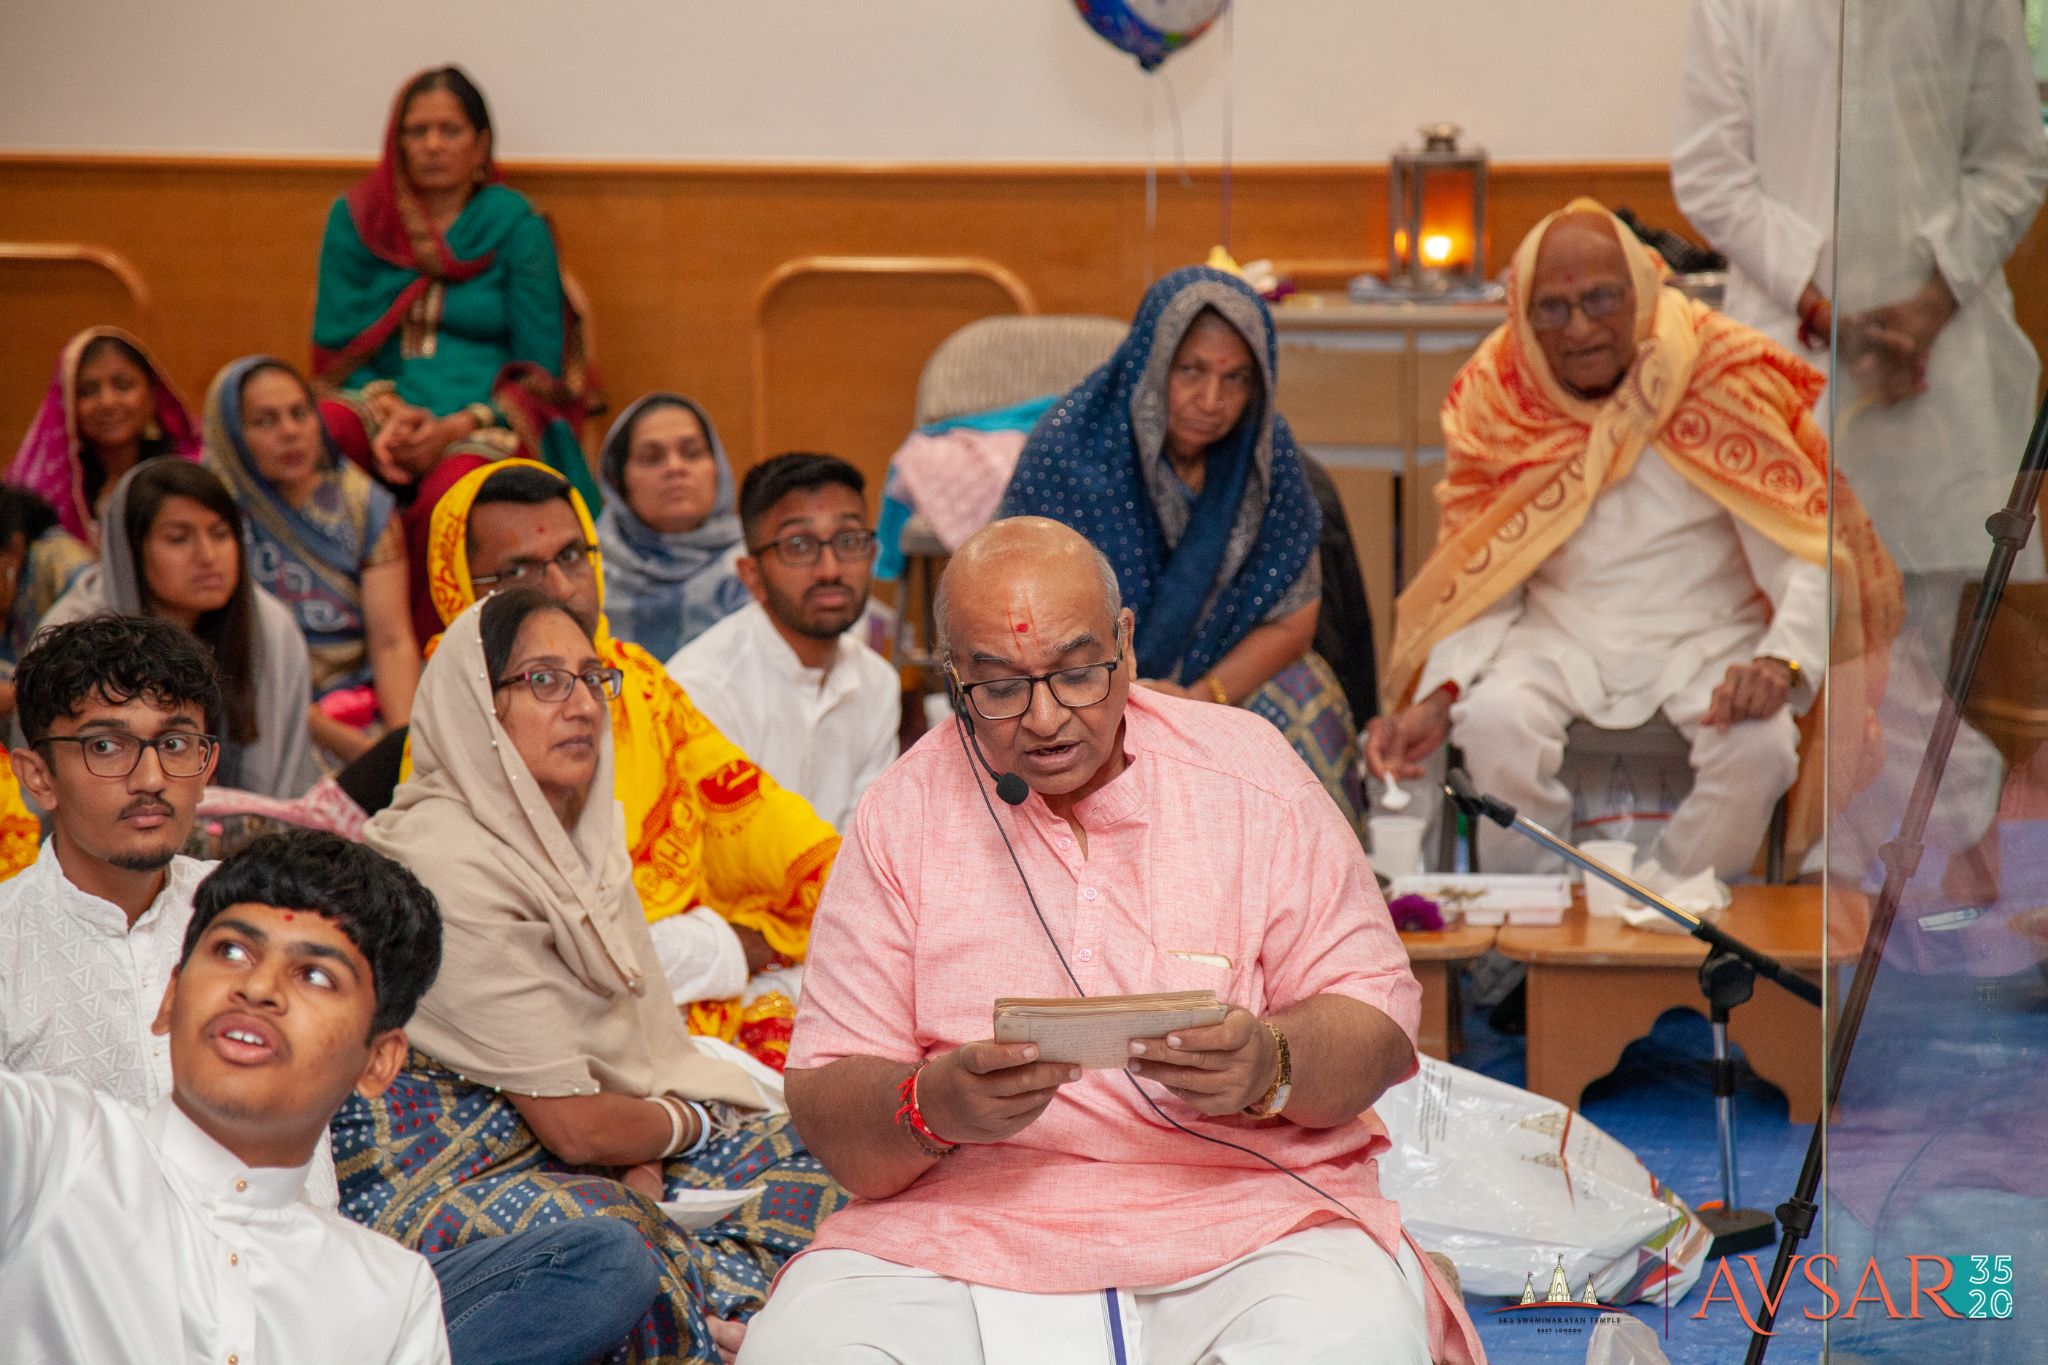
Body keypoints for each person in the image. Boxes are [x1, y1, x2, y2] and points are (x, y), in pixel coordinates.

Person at [741, 517, 1480, 1365]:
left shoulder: (1248, 772)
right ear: (953, 679)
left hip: (1252, 1219)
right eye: (1001, 687)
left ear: (1125, 645)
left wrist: (1270, 1061)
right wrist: (933, 1105)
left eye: (1076, 672)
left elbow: (1378, 1028)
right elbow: (830, 1101)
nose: (1046, 717)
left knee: (1348, 1344)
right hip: (955, 1232)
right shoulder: (902, 811)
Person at [0, 616, 660, 1364]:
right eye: (107, 745)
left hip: (301, 1284)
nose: (150, 778)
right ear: (36, 774)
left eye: (177, 744)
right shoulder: (59, 1125)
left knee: (602, 1260)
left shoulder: (254, 903)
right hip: (95, 1297)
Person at [342, 588, 844, 1365]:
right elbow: (573, 1125)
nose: (580, 704)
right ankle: (724, 1318)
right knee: (614, 1250)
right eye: (543, 680)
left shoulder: (582, 836)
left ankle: (724, 1313)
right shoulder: (442, 860)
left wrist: (646, 1155)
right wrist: (691, 1123)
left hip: (588, 1150)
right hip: (442, 1175)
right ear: (479, 705)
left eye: (590, 677)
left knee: (830, 1144)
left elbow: (626, 1059)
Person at [1364, 200, 1901, 883]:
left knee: (1761, 747)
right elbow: (1484, 576)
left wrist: (1780, 664)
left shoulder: (1721, 372)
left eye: (1601, 299)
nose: (1580, 328)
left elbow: (1807, 549)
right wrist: (1440, 691)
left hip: (1708, 636)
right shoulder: (1502, 392)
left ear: (1645, 289)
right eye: (1551, 309)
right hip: (1558, 637)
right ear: (1522, 318)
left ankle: (1668, 915)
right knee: (1493, 723)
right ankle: (1535, 937)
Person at [1672, 0, 2048, 893]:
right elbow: (1710, 172)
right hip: (1793, 360)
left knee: (1907, 652)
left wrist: (1924, 309)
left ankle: (1914, 902)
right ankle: (1864, 902)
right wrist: (1825, 311)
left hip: (1937, 371)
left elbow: (2011, 163)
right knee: (1828, 632)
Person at [413, 458, 840, 1066]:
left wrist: (855, 897)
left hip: (688, 1001)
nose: (560, 589)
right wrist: (731, 947)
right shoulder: (452, 724)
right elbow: (551, 968)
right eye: (518, 572)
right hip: (558, 1057)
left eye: (570, 557)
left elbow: (762, 818)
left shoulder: (636, 683)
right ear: (460, 590)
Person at [999, 265, 1365, 831]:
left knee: (1307, 706)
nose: (1211, 400)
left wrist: (1199, 696)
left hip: (1223, 679)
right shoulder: (1066, 454)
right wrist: (1126, 693)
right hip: (1083, 684)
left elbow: (1295, 618)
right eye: (1191, 370)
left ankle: (1313, 901)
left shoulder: (1264, 457)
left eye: (1236, 378)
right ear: (1152, 361)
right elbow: (1019, 614)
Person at [312, 65, 601, 512]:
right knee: (323, 434)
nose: (432, 145)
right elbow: (335, 356)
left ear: (480, 145)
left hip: (482, 416)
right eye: (417, 132)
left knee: (455, 489)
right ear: (397, 143)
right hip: (381, 404)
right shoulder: (359, 220)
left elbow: (540, 376)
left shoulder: (518, 226)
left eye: (450, 131)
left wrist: (452, 428)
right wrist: (393, 411)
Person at [40, 459, 320, 799]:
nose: (207, 556)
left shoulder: (271, 627)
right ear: (130, 550)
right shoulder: (76, 638)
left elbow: (289, 786)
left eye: (220, 534)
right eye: (178, 538)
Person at [204, 355, 421, 765]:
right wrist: (344, 744)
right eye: (266, 421)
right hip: (254, 710)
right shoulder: (211, 513)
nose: (290, 432)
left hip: (360, 701)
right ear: (232, 433)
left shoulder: (362, 504)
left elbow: (391, 641)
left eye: (299, 414)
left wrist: (402, 750)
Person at [667, 452, 898, 830]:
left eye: (848, 540)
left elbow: (866, 841)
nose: (830, 570)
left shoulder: (878, 682)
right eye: (799, 546)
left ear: (872, 553)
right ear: (751, 575)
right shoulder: (700, 690)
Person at [6, 326, 202, 544]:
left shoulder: (192, 474)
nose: (107, 402)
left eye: (123, 385)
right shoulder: (43, 493)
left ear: (153, 395)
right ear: (67, 404)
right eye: (88, 391)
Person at [598, 393, 751, 662]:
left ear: (718, 467)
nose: (675, 468)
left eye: (692, 454)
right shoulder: (588, 573)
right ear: (618, 479)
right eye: (652, 458)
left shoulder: (754, 566)